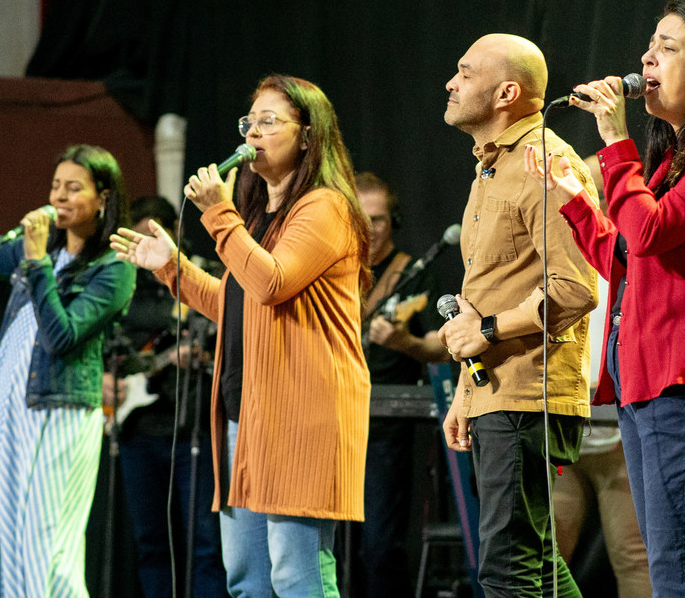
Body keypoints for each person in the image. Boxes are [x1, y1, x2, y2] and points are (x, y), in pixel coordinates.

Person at [527, 0, 685, 596]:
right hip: (645, 376)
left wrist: (615, 142)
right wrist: (574, 198)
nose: (647, 57)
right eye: (650, 44)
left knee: (676, 567)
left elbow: (647, 231)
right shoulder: (671, 161)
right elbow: (625, 262)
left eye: (669, 47)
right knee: (669, 560)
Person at [112, 74, 372, 598]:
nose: (252, 132)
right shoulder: (259, 216)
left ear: (307, 136)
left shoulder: (324, 208)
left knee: (297, 575)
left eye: (268, 122)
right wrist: (172, 267)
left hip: (301, 412)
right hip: (245, 413)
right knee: (247, 580)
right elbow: (237, 305)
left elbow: (271, 283)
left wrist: (217, 213)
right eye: (248, 122)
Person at [0, 144, 135, 598]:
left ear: (103, 198)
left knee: (45, 550)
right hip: (7, 415)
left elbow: (62, 336)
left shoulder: (114, 267)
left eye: (73, 188)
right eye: (55, 186)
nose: (59, 197)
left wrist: (39, 260)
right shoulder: (31, 253)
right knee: (3, 543)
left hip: (56, 414)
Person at [439, 33, 599, 597]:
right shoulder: (492, 168)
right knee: (536, 563)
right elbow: (489, 291)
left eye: (464, 72)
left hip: (529, 397)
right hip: (495, 394)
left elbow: (577, 288)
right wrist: (466, 392)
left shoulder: (545, 164)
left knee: (509, 571)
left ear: (507, 91)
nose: (450, 83)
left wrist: (487, 331)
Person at [103, 195, 227, 598]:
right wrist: (105, 378)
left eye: (154, 235)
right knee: (151, 543)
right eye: (139, 238)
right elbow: (106, 345)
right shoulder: (122, 286)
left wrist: (192, 356)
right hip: (137, 430)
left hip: (192, 428)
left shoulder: (198, 276)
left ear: (176, 230)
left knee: (206, 544)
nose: (146, 246)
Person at [551, 156, 649, 598]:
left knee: (635, 555)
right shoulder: (554, 256)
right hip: (561, 429)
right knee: (543, 557)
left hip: (619, 433)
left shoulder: (635, 254)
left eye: (601, 191)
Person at [352, 171, 449, 598]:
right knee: (334, 548)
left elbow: (441, 346)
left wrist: (404, 342)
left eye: (378, 219)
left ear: (394, 221)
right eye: (360, 218)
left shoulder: (410, 272)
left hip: (385, 432)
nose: (369, 229)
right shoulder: (333, 271)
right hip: (332, 424)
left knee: (379, 547)